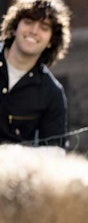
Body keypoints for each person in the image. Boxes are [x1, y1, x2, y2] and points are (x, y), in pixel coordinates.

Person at [0, 0, 70, 147]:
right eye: (28, 22)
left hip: (14, 161)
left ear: (51, 41)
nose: (34, 31)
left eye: (44, 28)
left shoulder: (52, 93)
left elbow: (54, 151)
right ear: (15, 27)